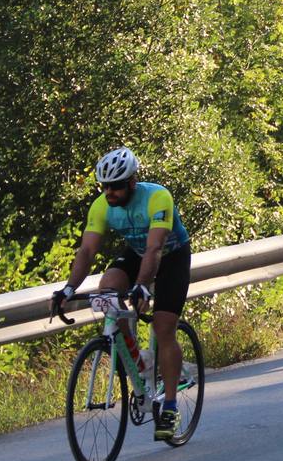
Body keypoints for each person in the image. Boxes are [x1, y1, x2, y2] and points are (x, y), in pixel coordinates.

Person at [50, 148, 191, 441]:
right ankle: (138, 361)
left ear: (131, 182)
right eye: (104, 186)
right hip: (138, 253)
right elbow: (87, 251)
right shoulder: (102, 206)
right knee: (107, 288)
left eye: (115, 186)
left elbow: (155, 249)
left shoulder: (157, 197)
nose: (109, 192)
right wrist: (67, 289)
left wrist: (142, 285)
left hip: (171, 257)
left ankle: (170, 407)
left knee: (163, 327)